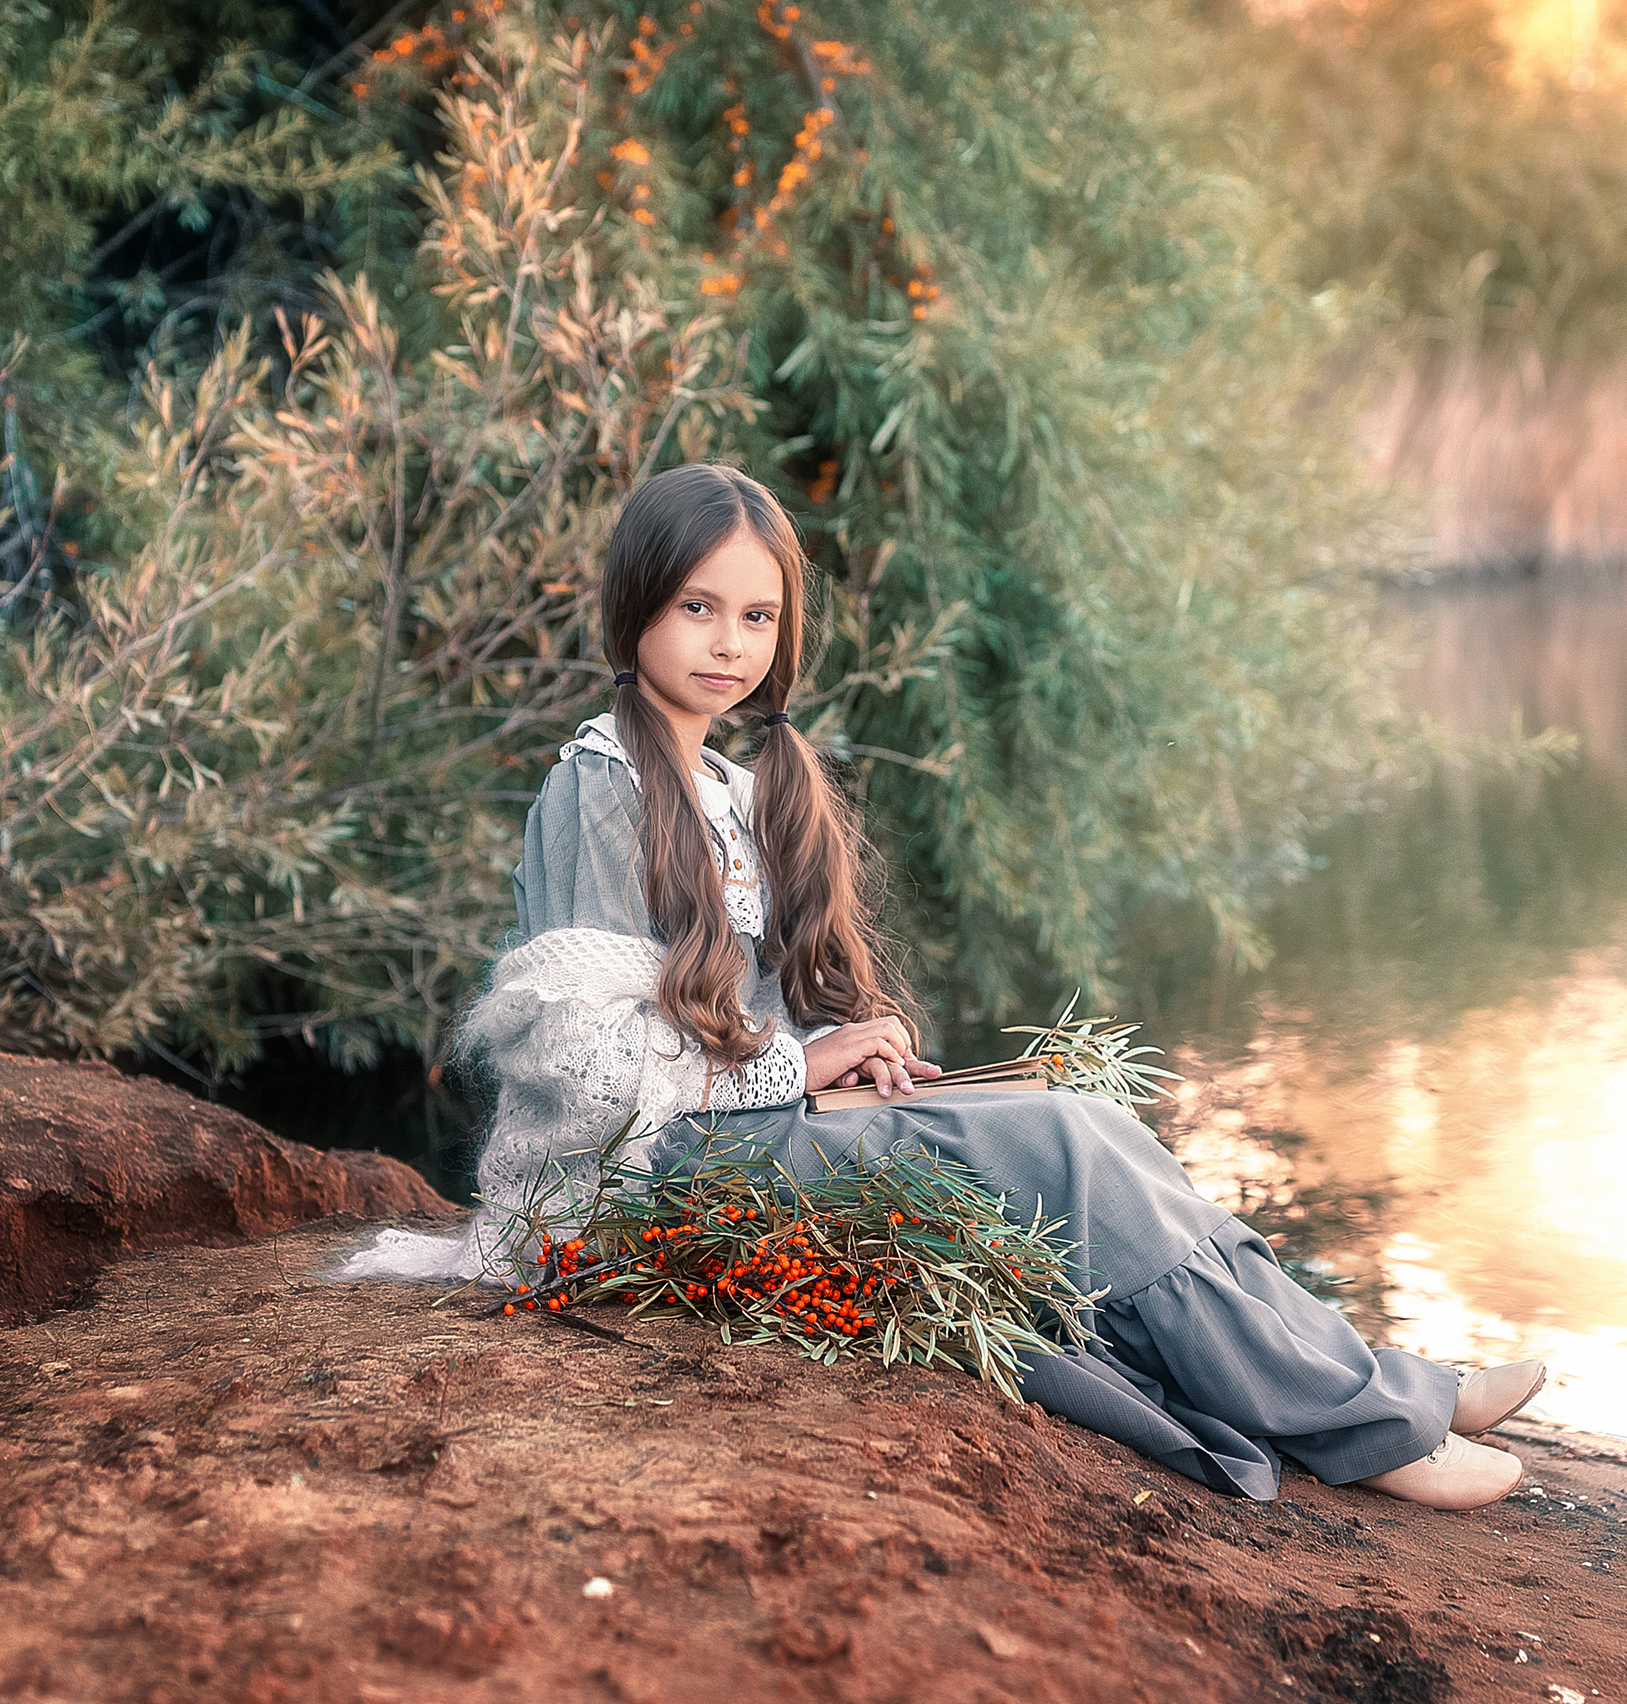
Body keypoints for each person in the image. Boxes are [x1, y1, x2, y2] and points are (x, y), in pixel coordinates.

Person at [342, 463, 1544, 1510]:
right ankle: (1367, 1432)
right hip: (635, 1181)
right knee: (1061, 1145)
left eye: (755, 617)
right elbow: (576, 1062)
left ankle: (1385, 1383)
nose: (726, 644)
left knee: (1081, 1124)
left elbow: (731, 1012)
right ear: (634, 609)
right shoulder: (600, 785)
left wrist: (839, 1046)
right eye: (696, 607)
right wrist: (791, 1064)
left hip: (733, 1131)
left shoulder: (720, 782)